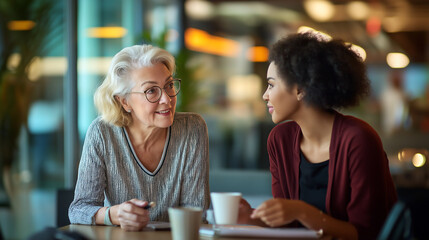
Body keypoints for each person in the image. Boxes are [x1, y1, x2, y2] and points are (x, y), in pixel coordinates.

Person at [238, 32, 397, 240]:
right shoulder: (279, 140)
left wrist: (301, 211)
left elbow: (367, 233)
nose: (264, 95)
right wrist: (250, 218)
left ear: (300, 90)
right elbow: (288, 224)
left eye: (271, 84)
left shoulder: (359, 139)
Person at [68, 45, 209, 231]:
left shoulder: (192, 128)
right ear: (124, 101)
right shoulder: (102, 133)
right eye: (151, 91)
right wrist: (115, 214)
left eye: (169, 85)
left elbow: (196, 212)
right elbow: (78, 210)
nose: (167, 99)